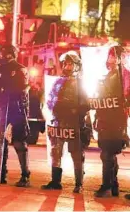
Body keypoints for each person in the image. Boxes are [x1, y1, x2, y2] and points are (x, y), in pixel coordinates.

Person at [41, 51, 90, 193]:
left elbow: (86, 104)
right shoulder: (58, 81)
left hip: (74, 123)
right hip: (58, 122)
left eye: (70, 63)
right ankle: (55, 181)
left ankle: (78, 184)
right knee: (56, 152)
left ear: (76, 66)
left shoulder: (80, 83)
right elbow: (50, 99)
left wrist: (75, 111)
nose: (67, 66)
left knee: (76, 154)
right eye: (66, 63)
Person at [0, 45, 31, 186]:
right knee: (0, 141)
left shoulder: (19, 69)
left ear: (10, 55)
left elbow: (21, 88)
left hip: (16, 109)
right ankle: (0, 174)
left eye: (2, 54)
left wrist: (3, 88)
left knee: (18, 142)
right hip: (0, 108)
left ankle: (25, 175)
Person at [93, 46, 130, 197]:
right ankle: (112, 185)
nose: (112, 59)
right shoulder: (106, 76)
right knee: (107, 152)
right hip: (104, 119)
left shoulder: (126, 77)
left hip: (117, 119)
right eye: (110, 56)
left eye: (115, 56)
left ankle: (107, 185)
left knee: (108, 153)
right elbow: (100, 99)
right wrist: (96, 115)